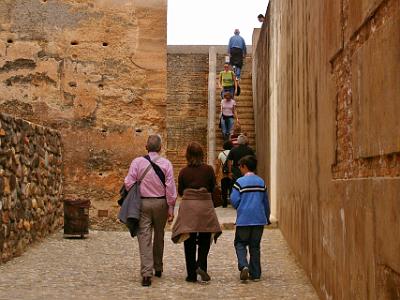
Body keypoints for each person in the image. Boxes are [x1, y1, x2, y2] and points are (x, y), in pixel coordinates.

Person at [124, 135, 177, 287]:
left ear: (146, 147)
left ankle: (147, 273)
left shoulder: (137, 162)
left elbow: (128, 183)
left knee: (144, 237)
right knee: (159, 235)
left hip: (143, 204)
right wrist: (171, 207)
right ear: (160, 148)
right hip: (161, 203)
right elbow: (170, 188)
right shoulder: (166, 164)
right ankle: (158, 267)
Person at [172, 142, 222, 283]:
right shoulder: (208, 170)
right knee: (205, 238)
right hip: (205, 207)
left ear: (188, 155)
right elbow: (213, 187)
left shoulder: (183, 172)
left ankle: (191, 274)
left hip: (188, 208)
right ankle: (201, 265)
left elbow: (181, 191)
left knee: (189, 240)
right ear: (202, 154)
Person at [230, 155, 271, 282]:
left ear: (244, 167)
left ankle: (243, 265)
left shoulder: (239, 182)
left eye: (240, 167)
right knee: (255, 246)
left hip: (244, 219)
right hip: (259, 219)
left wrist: (240, 207)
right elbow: (265, 202)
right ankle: (256, 274)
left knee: (240, 243)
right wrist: (267, 216)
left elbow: (234, 200)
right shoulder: (261, 182)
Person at [215, 140, 234, 208]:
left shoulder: (221, 154)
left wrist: (216, 174)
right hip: (231, 174)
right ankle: (233, 203)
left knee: (224, 190)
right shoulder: (232, 152)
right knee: (232, 189)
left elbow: (218, 165)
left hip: (224, 175)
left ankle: (224, 203)